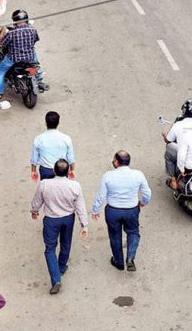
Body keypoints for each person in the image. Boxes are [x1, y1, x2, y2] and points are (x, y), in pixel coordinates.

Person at [30, 159, 89, 294]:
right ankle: (61, 267)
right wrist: (84, 225)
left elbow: (37, 201)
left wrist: (34, 211)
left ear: (53, 171)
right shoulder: (75, 186)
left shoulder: (44, 184)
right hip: (68, 218)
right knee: (66, 243)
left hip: (51, 219)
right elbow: (80, 206)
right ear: (68, 171)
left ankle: (56, 279)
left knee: (50, 249)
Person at [91, 150, 151, 272]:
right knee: (133, 232)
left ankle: (118, 262)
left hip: (113, 211)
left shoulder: (108, 176)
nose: (113, 161)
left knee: (114, 236)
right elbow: (147, 193)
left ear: (117, 162)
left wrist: (95, 210)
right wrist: (143, 203)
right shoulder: (138, 174)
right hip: (132, 210)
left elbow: (101, 196)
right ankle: (130, 258)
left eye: (114, 160)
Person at [0, 9, 47, 99]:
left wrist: (2, 31)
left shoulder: (11, 33)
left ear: (15, 21)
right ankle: (39, 79)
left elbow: (2, 43)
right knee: (36, 63)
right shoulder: (33, 30)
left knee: (0, 71)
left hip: (14, 58)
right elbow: (35, 40)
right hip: (30, 57)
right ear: (27, 20)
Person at [163, 99, 192, 189]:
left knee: (169, 149)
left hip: (186, 158)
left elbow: (168, 140)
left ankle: (173, 180)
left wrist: (164, 135)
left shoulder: (178, 124)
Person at [31, 111, 75, 181]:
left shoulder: (39, 139)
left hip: (45, 170)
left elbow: (34, 158)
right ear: (58, 123)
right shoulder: (66, 138)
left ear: (46, 123)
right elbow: (70, 158)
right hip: (62, 169)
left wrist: (33, 171)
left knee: (46, 189)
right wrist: (72, 170)